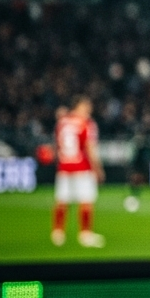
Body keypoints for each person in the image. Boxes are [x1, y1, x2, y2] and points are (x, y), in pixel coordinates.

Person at [51, 95, 105, 248]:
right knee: (86, 200)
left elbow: (57, 145)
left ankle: (58, 233)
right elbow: (90, 147)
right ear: (78, 106)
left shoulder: (62, 122)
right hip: (82, 167)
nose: (89, 109)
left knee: (62, 200)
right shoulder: (86, 123)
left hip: (64, 166)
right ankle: (85, 235)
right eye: (86, 106)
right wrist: (98, 169)